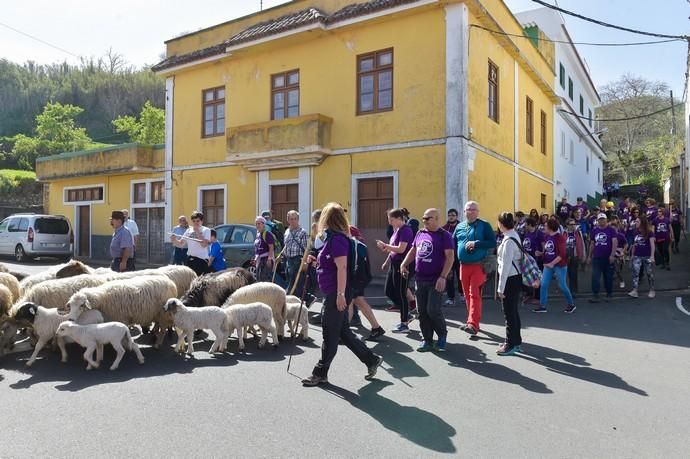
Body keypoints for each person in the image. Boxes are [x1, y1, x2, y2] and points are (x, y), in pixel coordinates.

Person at [301, 203, 383, 386]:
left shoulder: (337, 239)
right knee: (344, 333)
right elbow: (330, 266)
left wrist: (340, 295)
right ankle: (371, 360)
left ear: (328, 219)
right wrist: (315, 263)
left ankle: (320, 372)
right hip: (334, 291)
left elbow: (342, 267)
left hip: (336, 293)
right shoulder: (331, 238)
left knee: (330, 333)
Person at [401, 208, 454, 352]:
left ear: (436, 219)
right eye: (423, 218)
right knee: (421, 311)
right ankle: (427, 339)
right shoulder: (420, 233)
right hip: (420, 279)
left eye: (428, 218)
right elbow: (413, 251)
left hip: (436, 279)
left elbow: (450, 257)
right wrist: (404, 263)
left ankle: (442, 335)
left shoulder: (445, 235)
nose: (424, 221)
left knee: (433, 310)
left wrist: (443, 277)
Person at [454, 201, 496, 336]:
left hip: (478, 265)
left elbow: (493, 242)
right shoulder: (459, 226)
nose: (471, 211)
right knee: (466, 295)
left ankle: (473, 324)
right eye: (468, 209)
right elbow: (452, 242)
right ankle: (471, 321)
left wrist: (477, 243)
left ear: (478, 212)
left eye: (473, 209)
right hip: (463, 265)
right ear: (464, 212)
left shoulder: (484, 225)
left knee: (474, 294)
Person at [378, 208, 414, 333]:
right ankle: (407, 313)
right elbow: (393, 249)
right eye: (389, 220)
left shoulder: (406, 230)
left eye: (391, 220)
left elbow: (401, 249)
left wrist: (386, 246)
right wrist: (386, 261)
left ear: (399, 218)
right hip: (394, 264)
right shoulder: (396, 230)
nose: (390, 222)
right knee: (388, 290)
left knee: (401, 292)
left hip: (403, 265)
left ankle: (404, 323)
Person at [495, 212, 523, 355]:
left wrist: (500, 288)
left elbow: (505, 266)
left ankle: (510, 344)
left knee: (509, 313)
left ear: (501, 224)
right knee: (513, 312)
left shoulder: (508, 241)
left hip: (510, 279)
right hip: (515, 278)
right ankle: (515, 341)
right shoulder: (513, 235)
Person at [533, 218, 575, 314]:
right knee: (543, 284)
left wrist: (552, 263)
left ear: (550, 227)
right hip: (548, 265)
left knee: (562, 285)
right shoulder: (547, 237)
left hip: (559, 265)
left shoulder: (560, 238)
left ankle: (571, 304)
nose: (544, 228)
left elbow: (562, 254)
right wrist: (541, 253)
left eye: (546, 226)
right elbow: (548, 250)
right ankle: (542, 305)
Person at [587, 213, 618, 303]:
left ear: (606, 220)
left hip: (608, 257)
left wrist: (612, 255)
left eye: (603, 219)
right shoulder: (594, 230)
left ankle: (609, 294)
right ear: (598, 220)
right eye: (600, 219)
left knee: (608, 276)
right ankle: (595, 295)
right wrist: (589, 256)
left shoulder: (611, 230)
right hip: (597, 257)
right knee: (595, 276)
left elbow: (614, 242)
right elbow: (592, 244)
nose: (601, 221)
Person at [170, 210, 211, 276]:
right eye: (194, 221)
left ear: (202, 221)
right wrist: (174, 240)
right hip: (190, 259)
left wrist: (197, 232)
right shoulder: (189, 230)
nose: (195, 223)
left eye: (198, 221)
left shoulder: (206, 230)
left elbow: (204, 245)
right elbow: (181, 244)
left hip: (202, 260)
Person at [628, 215, 656, 299]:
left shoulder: (649, 232)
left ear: (642, 223)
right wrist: (632, 255)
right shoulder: (635, 232)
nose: (635, 223)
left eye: (637, 221)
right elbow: (634, 245)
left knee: (649, 273)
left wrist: (652, 256)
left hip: (647, 255)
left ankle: (652, 290)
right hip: (637, 255)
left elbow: (652, 244)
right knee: (635, 273)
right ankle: (635, 290)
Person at [283, 210, 309, 294]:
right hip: (288, 260)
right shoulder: (287, 232)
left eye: (295, 219)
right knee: (290, 281)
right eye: (291, 219)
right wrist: (280, 256)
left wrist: (305, 262)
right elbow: (286, 246)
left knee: (296, 283)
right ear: (288, 220)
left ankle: (290, 297)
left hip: (297, 260)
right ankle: (306, 298)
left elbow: (306, 249)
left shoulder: (303, 232)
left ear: (298, 219)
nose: (293, 221)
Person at [442, 208, 463, 306]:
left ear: (457, 216)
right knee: (449, 277)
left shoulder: (462, 227)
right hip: (448, 257)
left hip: (459, 256)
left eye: (453, 215)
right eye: (449, 215)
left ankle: (462, 295)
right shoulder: (444, 228)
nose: (451, 217)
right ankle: (451, 298)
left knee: (461, 277)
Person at [521, 217, 543, 304]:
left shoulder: (539, 233)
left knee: (537, 278)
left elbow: (543, 245)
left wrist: (542, 253)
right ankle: (529, 294)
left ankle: (538, 298)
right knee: (527, 277)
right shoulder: (527, 233)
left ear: (530, 224)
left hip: (536, 260)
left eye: (526, 224)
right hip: (527, 260)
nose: (525, 226)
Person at [564, 218, 585, 294]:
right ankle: (571, 289)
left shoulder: (578, 233)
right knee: (569, 274)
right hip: (566, 256)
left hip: (575, 255)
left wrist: (583, 255)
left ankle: (574, 290)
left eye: (574, 224)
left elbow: (582, 244)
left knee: (574, 274)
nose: (573, 226)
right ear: (567, 225)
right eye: (571, 224)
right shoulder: (563, 233)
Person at [254, 216, 275, 282]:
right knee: (259, 279)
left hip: (266, 260)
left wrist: (269, 259)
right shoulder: (258, 234)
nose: (257, 225)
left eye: (259, 223)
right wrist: (256, 258)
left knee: (265, 280)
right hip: (260, 260)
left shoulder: (267, 234)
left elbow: (271, 247)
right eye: (256, 224)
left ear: (263, 224)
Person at [610, 218, 628, 289]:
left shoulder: (621, 235)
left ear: (617, 228)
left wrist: (623, 251)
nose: (613, 231)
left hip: (619, 253)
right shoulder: (609, 236)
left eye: (614, 229)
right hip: (611, 253)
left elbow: (626, 244)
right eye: (612, 229)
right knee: (610, 269)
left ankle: (622, 281)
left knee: (618, 270)